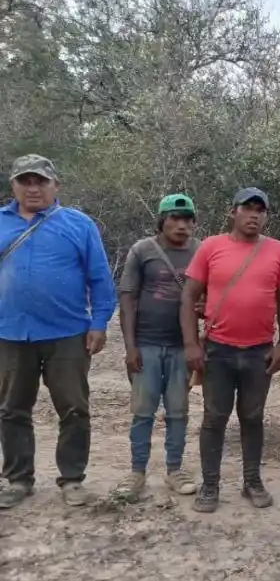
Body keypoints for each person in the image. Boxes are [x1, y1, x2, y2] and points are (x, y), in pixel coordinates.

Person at [0, 154, 116, 509]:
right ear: (13, 186)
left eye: (41, 181)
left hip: (67, 334)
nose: (33, 188)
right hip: (10, 334)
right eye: (25, 181)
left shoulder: (78, 224)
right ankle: (18, 479)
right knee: (12, 410)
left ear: (56, 186)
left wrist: (99, 323)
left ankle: (72, 479)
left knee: (74, 409)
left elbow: (100, 278)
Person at [180, 187, 280, 513]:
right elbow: (188, 296)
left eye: (260, 210)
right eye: (248, 208)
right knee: (214, 419)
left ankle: (252, 481)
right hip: (218, 350)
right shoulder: (210, 247)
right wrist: (191, 343)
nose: (254, 215)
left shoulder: (278, 251)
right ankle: (210, 485)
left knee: (252, 417)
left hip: (260, 352)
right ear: (233, 212)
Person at [115, 194, 201, 498]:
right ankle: (136, 472)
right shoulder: (142, 250)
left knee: (178, 411)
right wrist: (130, 346)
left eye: (187, 219)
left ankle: (175, 470)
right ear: (162, 221)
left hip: (181, 346)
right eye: (175, 218)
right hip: (147, 344)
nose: (181, 224)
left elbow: (210, 295)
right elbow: (128, 299)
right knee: (143, 412)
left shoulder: (201, 251)